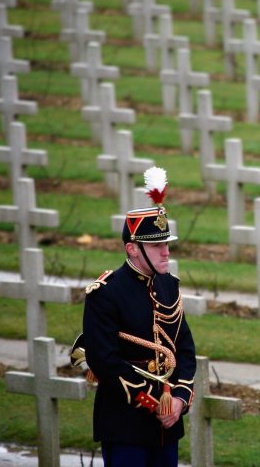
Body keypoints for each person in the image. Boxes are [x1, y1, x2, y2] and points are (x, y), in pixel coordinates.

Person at [76, 166, 196, 467]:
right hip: (125, 423)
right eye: (157, 246)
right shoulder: (105, 293)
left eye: (166, 244)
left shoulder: (169, 285)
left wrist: (179, 400)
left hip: (167, 426)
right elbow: (104, 360)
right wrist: (153, 403)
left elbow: (184, 348)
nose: (166, 252)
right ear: (132, 249)